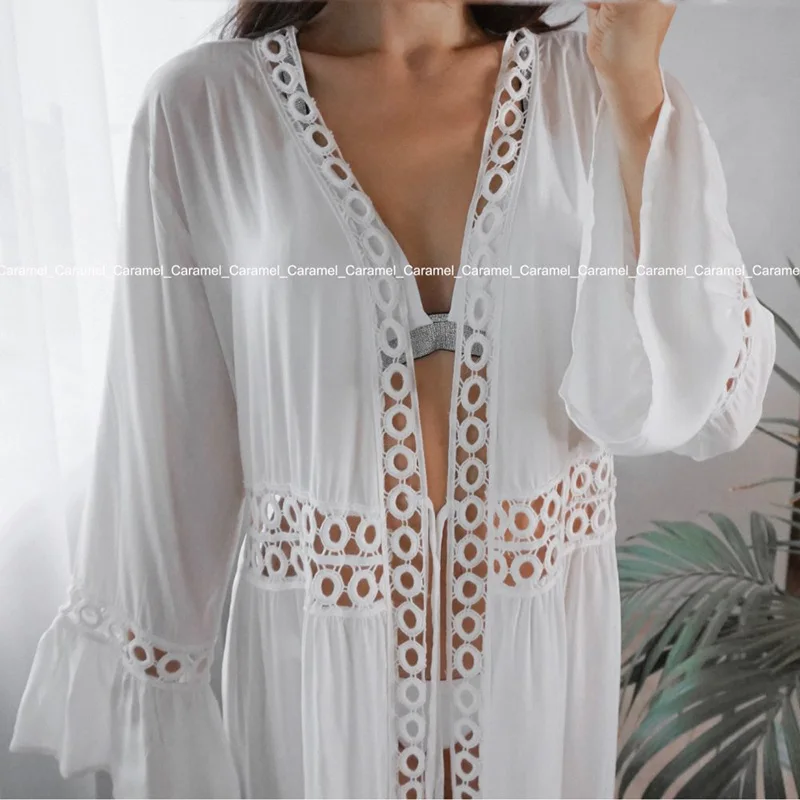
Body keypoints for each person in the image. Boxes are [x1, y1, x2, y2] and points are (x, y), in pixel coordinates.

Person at [10, 1, 777, 798]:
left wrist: (636, 89)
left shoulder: (591, 87)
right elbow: (164, 471)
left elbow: (713, 407)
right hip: (318, 718)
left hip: (534, 703)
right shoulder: (203, 112)